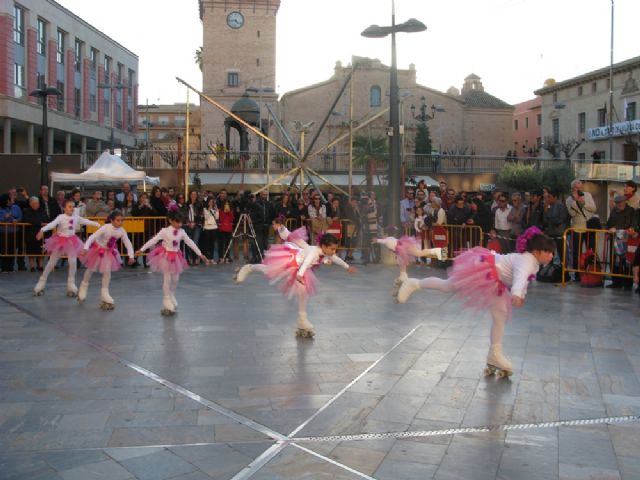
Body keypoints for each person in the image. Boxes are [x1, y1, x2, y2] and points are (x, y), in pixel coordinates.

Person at [396, 227, 555, 377]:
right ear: (536, 252)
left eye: (552, 253)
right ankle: (414, 283)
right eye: (548, 252)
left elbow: (523, 280)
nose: (551, 256)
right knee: (448, 286)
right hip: (485, 269)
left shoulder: (533, 263)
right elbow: (520, 277)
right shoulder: (527, 260)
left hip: (495, 279)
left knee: (500, 314)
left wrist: (521, 294)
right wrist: (516, 294)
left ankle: (495, 354)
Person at [234, 227, 356, 337]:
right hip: (292, 263)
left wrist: (347, 267)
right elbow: (307, 262)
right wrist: (300, 274)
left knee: (302, 293)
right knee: (267, 270)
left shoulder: (325, 252)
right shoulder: (314, 252)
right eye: (332, 249)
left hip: (299, 269)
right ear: (323, 246)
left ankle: (302, 320)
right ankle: (248, 268)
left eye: (335, 249)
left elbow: (335, 259)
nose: (334, 252)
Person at [136, 210, 209, 315]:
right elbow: (154, 240)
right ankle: (166, 299)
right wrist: (142, 249)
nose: (179, 224)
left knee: (175, 278)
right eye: (177, 222)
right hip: (165, 256)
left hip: (176, 257)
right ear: (170, 220)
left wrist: (200, 254)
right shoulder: (164, 231)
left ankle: (172, 294)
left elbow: (190, 243)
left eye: (181, 222)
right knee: (167, 278)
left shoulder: (182, 232)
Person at [34, 199, 101, 296]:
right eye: (69, 206)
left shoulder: (76, 217)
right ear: (64, 208)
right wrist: (42, 230)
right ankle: (41, 282)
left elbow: (86, 221)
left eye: (73, 206)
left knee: (72, 262)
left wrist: (98, 225)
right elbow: (52, 224)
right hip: (60, 240)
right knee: (52, 262)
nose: (72, 208)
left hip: (71, 241)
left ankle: (71, 284)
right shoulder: (61, 217)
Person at [78, 210, 135, 309]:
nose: (120, 222)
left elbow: (128, 243)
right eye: (118, 220)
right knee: (91, 268)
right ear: (112, 220)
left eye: (122, 220)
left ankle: (105, 293)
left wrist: (131, 256)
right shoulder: (105, 228)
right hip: (97, 249)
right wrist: (85, 248)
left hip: (108, 252)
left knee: (107, 272)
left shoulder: (121, 230)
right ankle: (83, 287)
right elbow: (92, 237)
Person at [376, 230, 446, 290]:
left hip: (404, 247)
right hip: (403, 247)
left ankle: (437, 251)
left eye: (383, 234)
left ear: (386, 234)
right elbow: (395, 247)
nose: (382, 236)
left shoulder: (387, 240)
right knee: (402, 262)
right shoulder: (390, 238)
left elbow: (383, 241)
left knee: (418, 253)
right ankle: (403, 276)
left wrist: (376, 240)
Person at [565, 180, 598, 279]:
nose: (579, 190)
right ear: (572, 189)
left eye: (581, 188)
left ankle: (591, 271)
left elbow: (593, 208)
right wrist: (575, 201)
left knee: (591, 250)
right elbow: (572, 214)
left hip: (589, 227)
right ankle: (577, 274)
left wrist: (583, 202)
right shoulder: (569, 200)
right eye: (577, 188)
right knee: (576, 252)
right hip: (577, 228)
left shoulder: (587, 195)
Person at [605, 194, 637, 289]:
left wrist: (616, 228)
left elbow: (629, 224)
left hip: (626, 239)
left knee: (627, 261)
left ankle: (628, 283)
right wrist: (607, 230)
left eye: (620, 203)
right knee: (614, 261)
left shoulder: (631, 211)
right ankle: (616, 281)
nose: (618, 205)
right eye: (617, 203)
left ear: (624, 202)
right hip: (614, 239)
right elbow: (609, 221)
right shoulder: (614, 210)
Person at [0, 193, 23, 273]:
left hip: (14, 232)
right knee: (4, 249)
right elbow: (1, 218)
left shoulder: (16, 207)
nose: (12, 199)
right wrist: (4, 218)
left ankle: (11, 267)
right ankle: (4, 267)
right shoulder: (1, 209)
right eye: (11, 198)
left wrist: (17, 220)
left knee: (12, 249)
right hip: (3, 232)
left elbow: (20, 217)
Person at [22, 197, 46, 272]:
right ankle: (32, 266)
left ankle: (41, 266)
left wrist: (40, 223)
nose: (36, 205)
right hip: (31, 233)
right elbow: (28, 220)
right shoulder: (26, 211)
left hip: (41, 233)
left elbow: (45, 219)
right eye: (34, 203)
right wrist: (40, 223)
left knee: (41, 251)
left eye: (37, 203)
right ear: (30, 204)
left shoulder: (42, 211)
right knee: (31, 251)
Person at [184, 191, 204, 265]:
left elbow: (201, 215)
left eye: (195, 194)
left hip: (196, 225)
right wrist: (188, 223)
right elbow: (184, 214)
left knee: (195, 242)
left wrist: (195, 223)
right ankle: (191, 257)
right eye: (192, 194)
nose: (193, 196)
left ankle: (196, 257)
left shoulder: (199, 204)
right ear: (189, 195)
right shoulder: (186, 204)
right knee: (189, 243)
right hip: (187, 226)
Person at [201, 196, 219, 261]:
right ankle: (206, 258)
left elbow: (217, 217)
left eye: (212, 202)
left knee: (212, 244)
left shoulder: (215, 208)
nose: (211, 203)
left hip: (214, 227)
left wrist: (216, 210)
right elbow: (206, 217)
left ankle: (212, 258)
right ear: (208, 202)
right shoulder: (204, 209)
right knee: (206, 244)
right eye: (210, 201)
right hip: (207, 227)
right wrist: (209, 209)